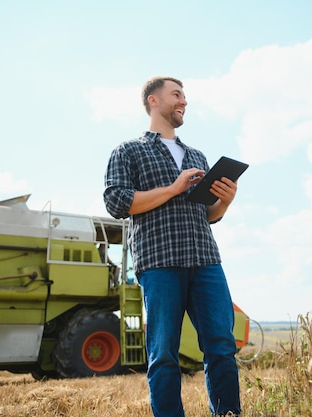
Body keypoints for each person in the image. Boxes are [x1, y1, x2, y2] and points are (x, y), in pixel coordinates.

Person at [103, 76, 241, 417]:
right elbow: (117, 202)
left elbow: (208, 215)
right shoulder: (128, 151)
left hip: (206, 260)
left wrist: (225, 201)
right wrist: (174, 187)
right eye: (176, 94)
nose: (184, 101)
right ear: (153, 100)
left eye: (184, 96)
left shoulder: (197, 154)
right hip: (159, 262)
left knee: (221, 347)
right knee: (163, 353)